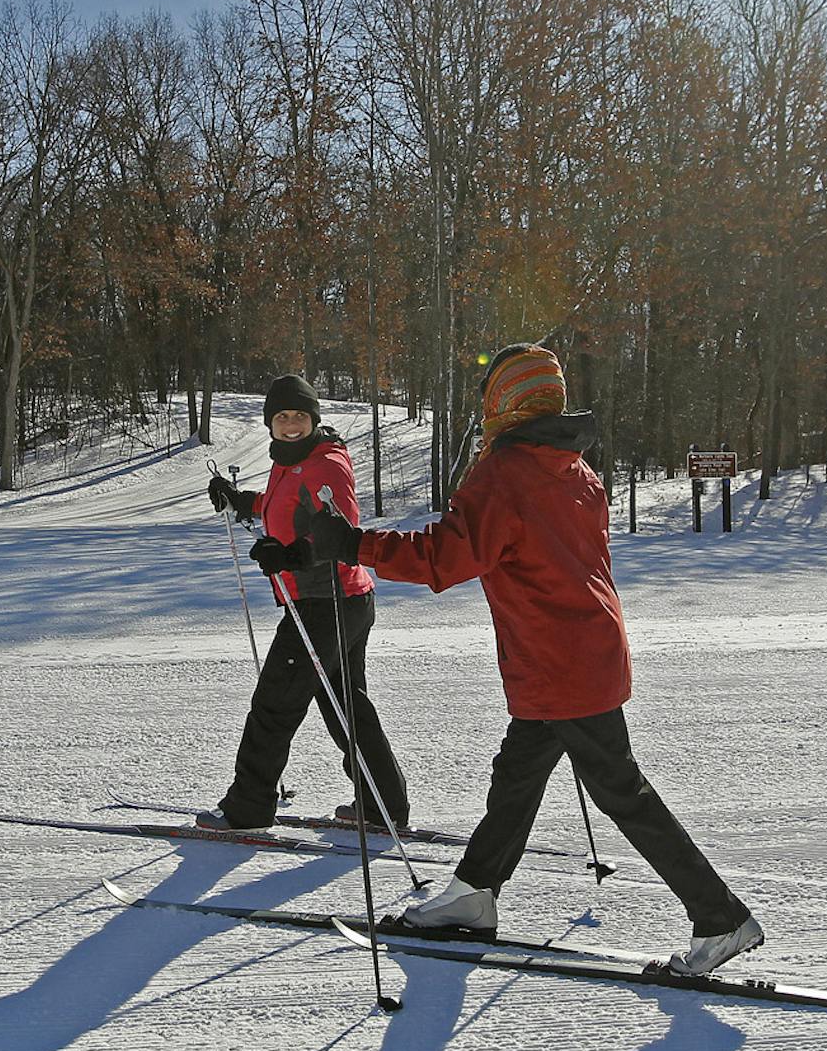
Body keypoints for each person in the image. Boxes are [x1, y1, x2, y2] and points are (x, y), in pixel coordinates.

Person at [296, 344, 763, 976]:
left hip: (560, 663)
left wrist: (352, 542)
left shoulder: (507, 474)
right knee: (517, 777)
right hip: (579, 652)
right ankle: (474, 892)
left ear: (502, 402)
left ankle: (720, 917)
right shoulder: (574, 470)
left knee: (621, 792)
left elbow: (445, 558)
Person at [201, 373, 411, 833]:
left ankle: (248, 808)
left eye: (299, 416)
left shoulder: (325, 463)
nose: (291, 424)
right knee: (345, 705)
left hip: (325, 602)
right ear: (270, 423)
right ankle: (383, 804)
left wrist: (293, 554)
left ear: (314, 419)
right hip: (344, 601)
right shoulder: (291, 460)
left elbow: (341, 529)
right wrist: (242, 500)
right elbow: (284, 505)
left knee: (274, 706)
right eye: (282, 416)